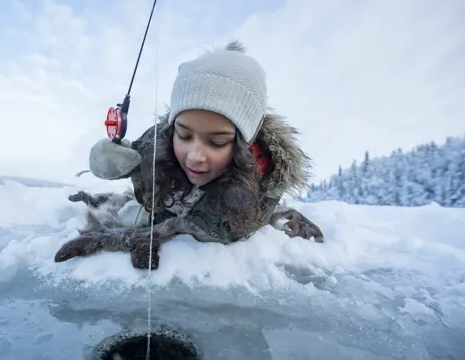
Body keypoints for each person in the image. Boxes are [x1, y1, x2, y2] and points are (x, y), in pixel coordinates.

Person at [54, 40, 324, 270]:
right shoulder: (159, 143)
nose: (195, 157)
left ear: (246, 147)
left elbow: (233, 225)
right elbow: (125, 156)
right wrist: (111, 160)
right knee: (131, 213)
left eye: (217, 142)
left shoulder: (263, 179)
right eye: (184, 135)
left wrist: (142, 235)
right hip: (168, 199)